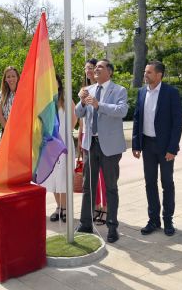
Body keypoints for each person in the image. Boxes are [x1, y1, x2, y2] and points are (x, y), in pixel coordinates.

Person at [75, 59, 128, 243]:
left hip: (110, 147)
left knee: (111, 188)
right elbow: (78, 113)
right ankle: (85, 223)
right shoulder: (87, 90)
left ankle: (112, 227)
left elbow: (122, 111)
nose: (95, 69)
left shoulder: (119, 90)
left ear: (109, 72)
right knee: (87, 186)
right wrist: (82, 102)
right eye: (94, 67)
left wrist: (99, 105)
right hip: (91, 144)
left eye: (100, 67)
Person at [132, 61, 182, 236]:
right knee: (150, 183)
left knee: (167, 183)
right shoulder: (141, 92)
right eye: (145, 72)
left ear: (159, 75)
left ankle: (168, 220)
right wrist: (136, 144)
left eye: (149, 72)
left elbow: (177, 123)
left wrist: (172, 148)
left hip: (165, 147)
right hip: (147, 145)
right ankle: (153, 220)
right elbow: (137, 119)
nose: (145, 75)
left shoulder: (171, 93)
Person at [42, 75, 78, 222]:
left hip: (64, 143)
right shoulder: (45, 101)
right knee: (53, 177)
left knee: (64, 176)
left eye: (54, 81)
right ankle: (58, 207)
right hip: (50, 144)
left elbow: (75, 117)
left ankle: (65, 207)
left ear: (59, 83)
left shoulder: (66, 99)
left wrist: (67, 132)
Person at [77, 59, 108, 224]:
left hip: (101, 138)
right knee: (89, 177)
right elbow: (81, 117)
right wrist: (80, 137)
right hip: (86, 136)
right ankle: (95, 206)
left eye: (91, 67)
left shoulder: (103, 89)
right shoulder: (84, 90)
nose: (88, 70)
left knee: (103, 176)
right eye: (86, 68)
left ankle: (105, 208)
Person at [0, 66, 20, 131]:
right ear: (5, 79)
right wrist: (8, 130)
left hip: (22, 130)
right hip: (7, 129)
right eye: (8, 77)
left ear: (17, 77)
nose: (11, 79)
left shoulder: (23, 92)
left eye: (13, 76)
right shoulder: (2, 93)